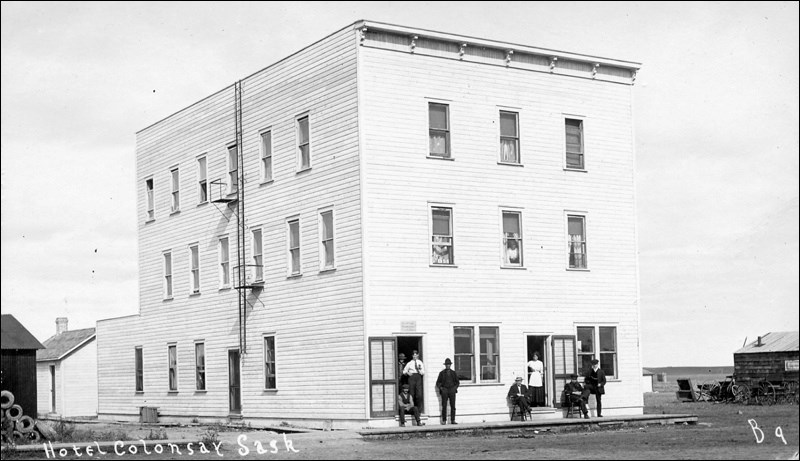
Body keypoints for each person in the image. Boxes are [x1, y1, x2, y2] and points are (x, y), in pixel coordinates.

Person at [435, 358, 460, 425]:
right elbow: (438, 383)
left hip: (452, 390)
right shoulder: (442, 373)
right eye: (447, 364)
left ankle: (453, 420)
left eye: (449, 364)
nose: (448, 365)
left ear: (450, 365)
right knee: (444, 405)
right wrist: (441, 388)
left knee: (453, 406)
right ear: (445, 365)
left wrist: (454, 388)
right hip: (445, 390)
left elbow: (457, 382)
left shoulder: (453, 373)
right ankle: (444, 420)